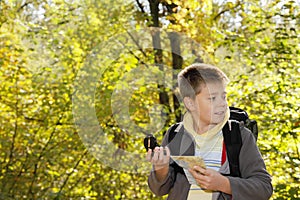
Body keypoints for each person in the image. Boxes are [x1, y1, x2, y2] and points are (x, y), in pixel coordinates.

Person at [146, 63, 273, 200]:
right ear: (190, 103)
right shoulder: (176, 134)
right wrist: (161, 168)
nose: (222, 103)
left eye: (223, 96)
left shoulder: (238, 135)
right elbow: (159, 189)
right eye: (212, 98)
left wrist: (224, 184)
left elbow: (264, 187)